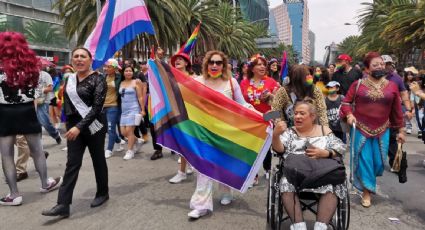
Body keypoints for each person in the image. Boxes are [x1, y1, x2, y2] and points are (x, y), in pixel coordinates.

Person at [42, 47, 109, 217]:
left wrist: (79, 126)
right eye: (76, 56)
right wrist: (68, 123)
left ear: (90, 60)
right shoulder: (69, 79)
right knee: (72, 163)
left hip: (94, 125)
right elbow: (66, 104)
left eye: (83, 56)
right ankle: (63, 204)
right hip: (73, 127)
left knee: (98, 159)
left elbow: (97, 108)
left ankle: (102, 193)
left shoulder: (99, 79)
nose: (79, 59)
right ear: (72, 60)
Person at [188, 50, 253, 219]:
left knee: (224, 163)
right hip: (203, 131)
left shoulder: (231, 82)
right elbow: (182, 95)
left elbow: (242, 104)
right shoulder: (198, 81)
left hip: (226, 131)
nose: (215, 65)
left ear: (224, 66)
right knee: (204, 167)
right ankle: (201, 205)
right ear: (206, 64)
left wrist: (262, 116)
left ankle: (226, 192)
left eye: (218, 63)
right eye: (211, 62)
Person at [0, 31, 62, 206]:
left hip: (4, 112)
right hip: (27, 110)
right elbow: (38, 90)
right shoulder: (31, 67)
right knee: (37, 150)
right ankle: (45, 183)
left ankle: (14, 194)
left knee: (6, 155)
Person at [340, 52, 405, 208]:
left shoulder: (393, 86)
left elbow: (396, 111)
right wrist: (349, 115)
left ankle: (368, 182)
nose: (380, 67)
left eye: (382, 64)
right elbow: (346, 103)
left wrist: (401, 130)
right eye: (375, 65)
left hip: (383, 130)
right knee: (365, 160)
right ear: (367, 69)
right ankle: (367, 192)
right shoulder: (358, 85)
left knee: (379, 162)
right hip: (361, 129)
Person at [271, 99, 346, 230]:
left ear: (312, 116)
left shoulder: (324, 130)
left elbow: (340, 147)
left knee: (334, 184)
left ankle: (321, 226)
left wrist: (325, 153)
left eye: (302, 113)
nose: (297, 116)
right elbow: (279, 150)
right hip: (295, 174)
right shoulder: (290, 132)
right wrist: (276, 135)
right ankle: (299, 226)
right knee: (284, 183)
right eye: (295, 113)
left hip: (322, 173)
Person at [240, 55, 279, 184]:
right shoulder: (244, 83)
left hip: (267, 118)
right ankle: (253, 175)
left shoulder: (271, 82)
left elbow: (279, 105)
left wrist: (271, 96)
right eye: (259, 64)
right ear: (252, 68)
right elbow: (239, 101)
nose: (262, 66)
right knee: (250, 148)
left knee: (265, 147)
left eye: (264, 64)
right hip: (250, 119)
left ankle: (267, 168)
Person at [381, 55, 413, 171]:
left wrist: (409, 109)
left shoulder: (396, 78)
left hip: (393, 114)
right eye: (384, 64)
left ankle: (395, 163)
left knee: (394, 139)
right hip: (377, 116)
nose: (386, 66)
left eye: (388, 64)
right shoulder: (371, 77)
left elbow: (404, 93)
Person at [168, 51, 196, 183]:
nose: (177, 61)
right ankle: (189, 165)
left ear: (186, 63)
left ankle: (182, 172)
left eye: (180, 59)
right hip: (175, 112)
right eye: (176, 60)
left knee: (183, 142)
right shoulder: (172, 77)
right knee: (181, 141)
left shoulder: (194, 78)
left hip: (190, 114)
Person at [119, 66, 146, 160]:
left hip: (134, 108)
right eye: (126, 71)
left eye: (130, 71)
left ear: (133, 72)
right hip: (124, 110)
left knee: (129, 131)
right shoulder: (121, 82)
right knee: (123, 132)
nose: (128, 72)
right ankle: (138, 140)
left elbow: (140, 97)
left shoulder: (136, 81)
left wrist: (142, 110)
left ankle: (130, 151)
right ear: (123, 72)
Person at [103, 58, 125, 159]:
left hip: (114, 106)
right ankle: (119, 141)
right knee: (106, 128)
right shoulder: (103, 77)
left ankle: (109, 150)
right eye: (106, 66)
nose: (106, 68)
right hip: (103, 106)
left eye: (109, 66)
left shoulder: (120, 77)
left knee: (111, 128)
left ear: (115, 68)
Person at [35, 70, 62, 144]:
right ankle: (38, 143)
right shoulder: (28, 74)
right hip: (30, 102)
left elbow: (51, 88)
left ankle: (56, 134)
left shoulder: (45, 75)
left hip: (42, 102)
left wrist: (41, 90)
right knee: (35, 124)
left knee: (45, 122)